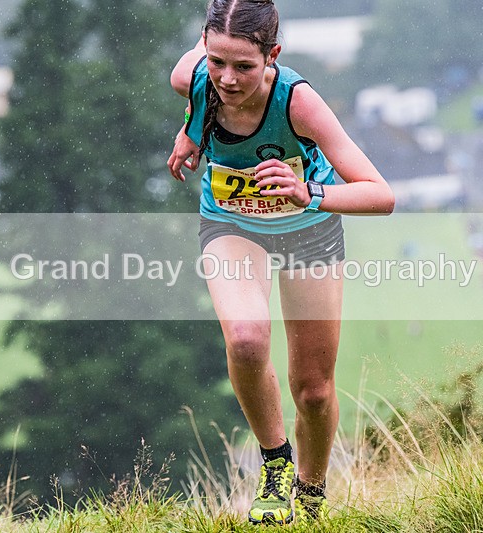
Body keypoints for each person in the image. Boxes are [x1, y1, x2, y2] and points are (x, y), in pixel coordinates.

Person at [167, 0, 394, 524]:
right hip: (232, 224)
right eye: (217, 61)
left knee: (313, 391)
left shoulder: (300, 104)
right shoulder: (193, 77)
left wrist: (308, 191)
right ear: (204, 47)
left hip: (307, 229)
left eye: (244, 66)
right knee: (245, 338)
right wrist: (191, 127)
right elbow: (199, 87)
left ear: (273, 55)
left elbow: (380, 194)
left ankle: (311, 498)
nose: (226, 79)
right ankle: (275, 466)